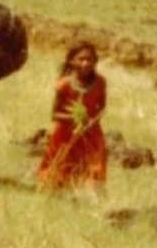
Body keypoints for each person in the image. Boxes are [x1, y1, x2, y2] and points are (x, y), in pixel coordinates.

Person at [37, 42, 107, 189]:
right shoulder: (64, 85)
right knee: (60, 168)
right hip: (65, 134)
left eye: (90, 59)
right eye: (81, 59)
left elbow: (102, 107)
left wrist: (91, 121)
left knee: (93, 169)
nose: (86, 63)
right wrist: (74, 119)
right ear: (72, 61)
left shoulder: (100, 82)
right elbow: (55, 114)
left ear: (96, 61)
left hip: (91, 133)